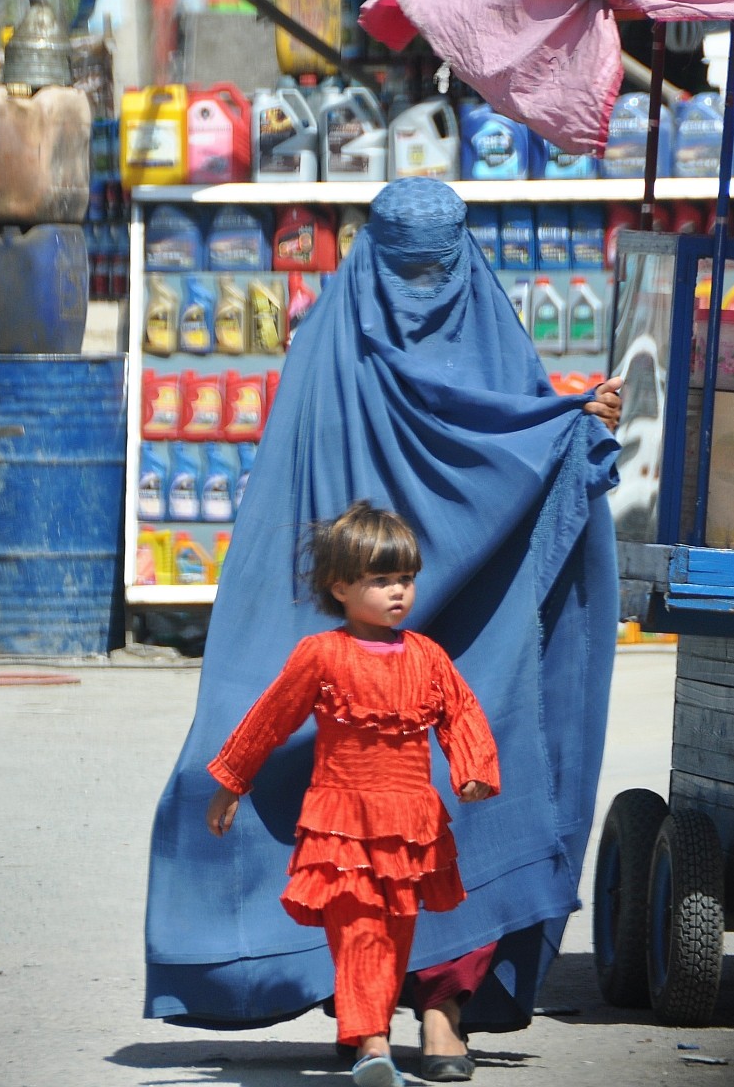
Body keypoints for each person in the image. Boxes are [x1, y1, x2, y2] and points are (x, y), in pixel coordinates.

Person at [145, 177, 622, 1081]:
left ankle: (444, 1015)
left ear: (461, 260)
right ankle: (367, 1020)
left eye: (435, 271)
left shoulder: (457, 341)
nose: (420, 295)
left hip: (477, 630)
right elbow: (293, 499)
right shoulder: (332, 347)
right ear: (374, 256)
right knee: (360, 857)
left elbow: (526, 448)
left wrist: (578, 427)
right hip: (349, 623)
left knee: (463, 817)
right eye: (406, 271)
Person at [205, 501, 500, 1087]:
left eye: (406, 578)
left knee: (394, 934)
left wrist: (472, 769)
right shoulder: (321, 654)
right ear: (339, 587)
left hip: (411, 828)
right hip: (339, 825)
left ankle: (372, 1034)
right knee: (360, 932)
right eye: (381, 579)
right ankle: (371, 1044)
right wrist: (231, 782)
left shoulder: (428, 656)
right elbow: (270, 718)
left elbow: (462, 713)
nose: (398, 591)